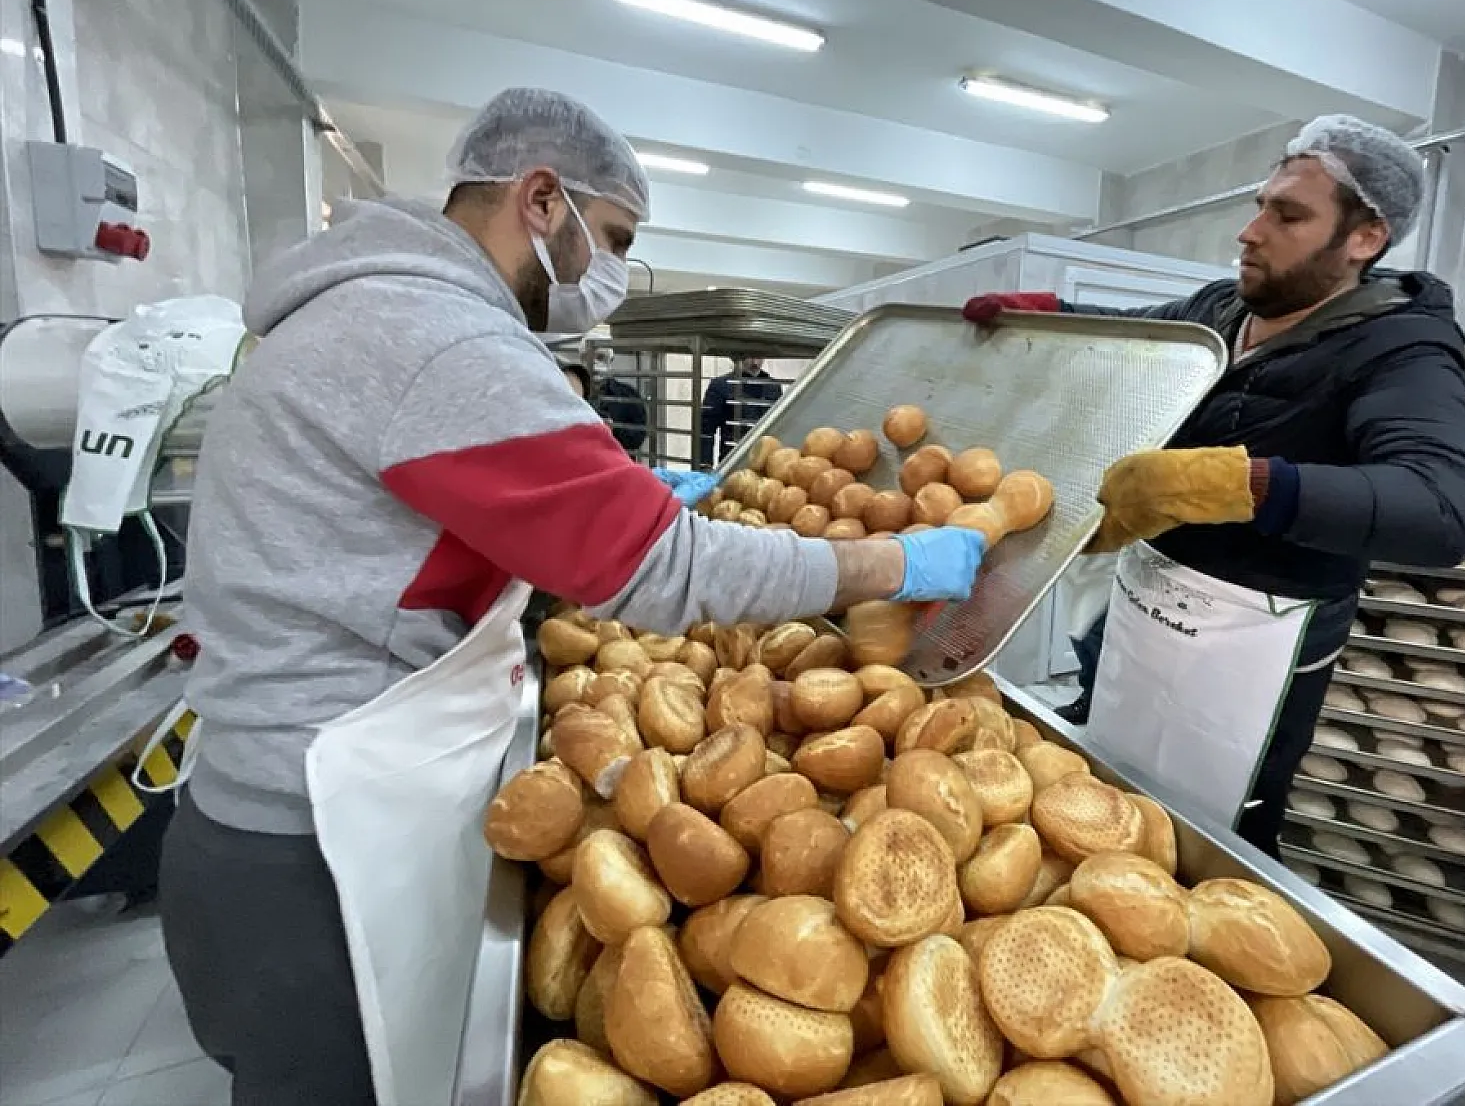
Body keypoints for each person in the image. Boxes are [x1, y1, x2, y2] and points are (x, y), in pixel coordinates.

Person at [159, 87, 985, 1106]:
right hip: (310, 846)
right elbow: (668, 573)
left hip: (266, 810)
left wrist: (621, 502)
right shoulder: (437, 335)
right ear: (540, 200)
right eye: (613, 238)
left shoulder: (373, 307)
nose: (611, 277)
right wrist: (892, 564)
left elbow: (428, 529)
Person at [964, 114, 1465, 857]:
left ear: (1364, 238)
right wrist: (1050, 316)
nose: (1251, 231)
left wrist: (1236, 484)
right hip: (1150, 602)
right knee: (1105, 797)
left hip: (1258, 641)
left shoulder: (1401, 348)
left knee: (1207, 844)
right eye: (1260, 204)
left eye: (1288, 215)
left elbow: (1445, 508)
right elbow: (1141, 338)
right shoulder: (1224, 307)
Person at [701, 355, 781, 467]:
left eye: (759, 356)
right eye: (750, 356)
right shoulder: (721, 385)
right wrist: (705, 467)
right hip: (732, 461)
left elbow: (778, 426)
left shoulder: (773, 387)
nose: (755, 361)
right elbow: (706, 429)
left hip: (765, 461)